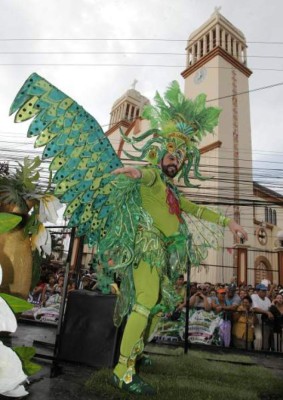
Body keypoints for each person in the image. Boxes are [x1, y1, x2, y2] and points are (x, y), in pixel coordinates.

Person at [111, 151, 247, 394]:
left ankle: (136, 355)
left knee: (157, 305)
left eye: (179, 160)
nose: (176, 163)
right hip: (147, 245)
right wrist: (137, 173)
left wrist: (230, 224)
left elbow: (197, 210)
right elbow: (147, 176)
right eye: (171, 157)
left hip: (161, 251)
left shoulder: (172, 192)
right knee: (144, 303)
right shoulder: (154, 178)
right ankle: (122, 371)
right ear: (161, 159)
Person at [251, 284, 274, 350]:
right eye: (262, 291)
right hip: (257, 322)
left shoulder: (267, 299)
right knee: (259, 338)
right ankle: (257, 353)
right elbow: (255, 308)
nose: (264, 292)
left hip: (266, 323)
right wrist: (266, 312)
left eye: (265, 291)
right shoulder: (254, 296)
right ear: (257, 291)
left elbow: (270, 309)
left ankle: (264, 354)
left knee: (265, 340)